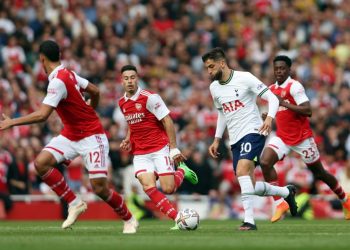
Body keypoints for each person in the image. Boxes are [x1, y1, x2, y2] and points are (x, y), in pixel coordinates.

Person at [0, 40, 138, 234]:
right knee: (41, 163)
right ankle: (74, 202)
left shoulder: (58, 81)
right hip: (71, 134)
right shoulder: (69, 74)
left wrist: (12, 122)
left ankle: (129, 219)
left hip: (92, 136)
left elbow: (42, 115)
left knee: (99, 188)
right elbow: (95, 91)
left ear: (42, 59)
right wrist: (91, 107)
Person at [202, 47, 298, 231]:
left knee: (242, 171)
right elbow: (222, 113)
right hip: (235, 139)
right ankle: (286, 192)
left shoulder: (244, 78)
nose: (209, 71)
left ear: (222, 63)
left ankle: (249, 221)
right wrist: (216, 139)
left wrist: (270, 118)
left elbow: (273, 98)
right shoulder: (214, 88)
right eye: (207, 68)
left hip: (254, 131)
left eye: (212, 66)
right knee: (249, 184)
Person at [259, 55, 350, 222]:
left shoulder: (295, 86)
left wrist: (284, 103)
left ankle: (345, 199)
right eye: (276, 68)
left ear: (289, 70)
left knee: (320, 173)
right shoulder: (271, 89)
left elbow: (308, 111)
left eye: (282, 68)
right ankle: (280, 203)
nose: (279, 71)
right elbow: (277, 110)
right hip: (282, 138)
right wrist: (268, 115)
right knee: (264, 162)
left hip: (302, 139)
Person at [118, 65, 198, 230]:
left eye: (132, 77)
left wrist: (174, 148)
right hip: (140, 152)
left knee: (168, 188)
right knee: (148, 186)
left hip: (159, 147)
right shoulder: (122, 103)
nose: (129, 81)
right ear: (122, 81)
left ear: (137, 78)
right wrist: (127, 138)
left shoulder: (150, 97)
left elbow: (167, 120)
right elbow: (132, 123)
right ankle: (177, 218)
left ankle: (182, 170)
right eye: (126, 78)